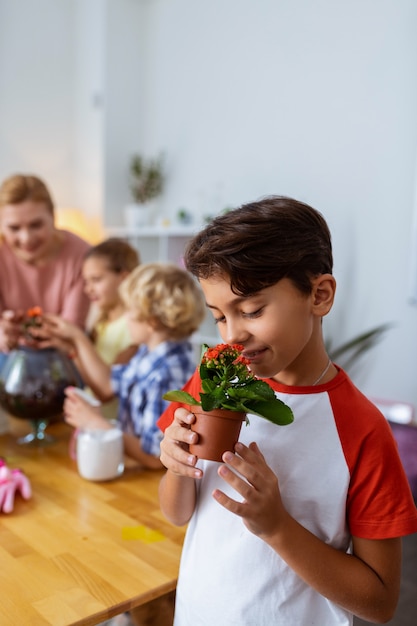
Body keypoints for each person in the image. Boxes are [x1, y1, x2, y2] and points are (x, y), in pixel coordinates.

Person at [157, 196, 417, 626]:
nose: (233, 335)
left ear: (319, 295)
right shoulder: (214, 380)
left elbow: (380, 602)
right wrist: (176, 467)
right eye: (220, 316)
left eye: (252, 310)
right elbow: (177, 512)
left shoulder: (362, 429)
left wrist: (277, 527)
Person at [38, 262, 205, 469]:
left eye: (129, 310)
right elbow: (110, 384)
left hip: (148, 484)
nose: (125, 317)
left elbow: (156, 458)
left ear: (151, 321)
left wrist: (98, 425)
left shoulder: (167, 372)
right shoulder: (148, 353)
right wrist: (73, 345)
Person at [0, 173, 91, 364]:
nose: (26, 238)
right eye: (14, 228)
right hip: (8, 355)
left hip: (61, 355)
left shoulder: (82, 255)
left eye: (36, 225)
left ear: (53, 217)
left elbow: (71, 332)